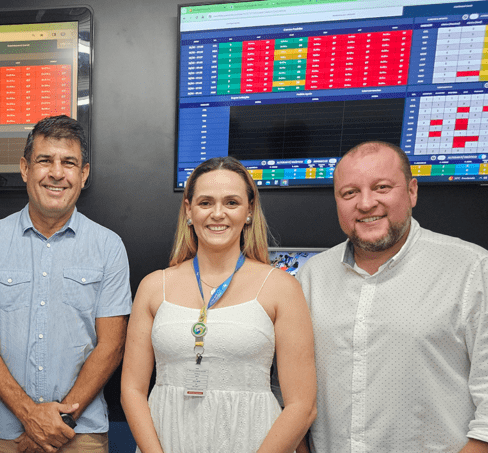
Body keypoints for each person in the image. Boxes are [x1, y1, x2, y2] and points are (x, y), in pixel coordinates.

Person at [296, 141, 488, 453]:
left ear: (412, 191)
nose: (366, 203)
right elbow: (293, 394)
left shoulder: (471, 269)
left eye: (381, 187)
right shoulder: (311, 277)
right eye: (350, 192)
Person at [0, 115, 132, 453]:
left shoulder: (108, 247)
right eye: (45, 160)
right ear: (25, 168)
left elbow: (112, 346)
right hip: (1, 435)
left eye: (69, 163)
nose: (56, 173)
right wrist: (30, 415)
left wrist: (58, 423)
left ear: (84, 173)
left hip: (79, 434)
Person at [121, 156, 317, 453]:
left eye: (231, 202)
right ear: (188, 209)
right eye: (205, 203)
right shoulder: (153, 287)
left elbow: (302, 405)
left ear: (249, 211)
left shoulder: (281, 288)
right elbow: (131, 390)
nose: (217, 213)